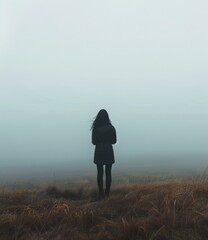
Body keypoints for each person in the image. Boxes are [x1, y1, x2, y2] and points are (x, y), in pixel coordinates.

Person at [91, 109, 117, 198]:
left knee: (100, 173)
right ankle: (107, 193)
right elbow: (114, 141)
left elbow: (93, 142)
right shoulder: (111, 128)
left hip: (99, 151)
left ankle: (101, 194)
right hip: (109, 151)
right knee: (108, 173)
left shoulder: (95, 129)